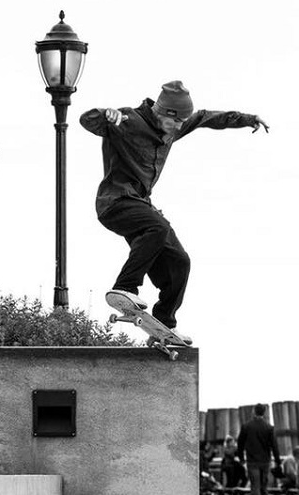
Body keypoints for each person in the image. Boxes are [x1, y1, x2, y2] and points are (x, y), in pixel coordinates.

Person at [79, 81, 269, 341]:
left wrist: (247, 119)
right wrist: (104, 114)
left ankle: (164, 323)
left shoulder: (174, 127)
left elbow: (205, 118)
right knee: (158, 227)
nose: (178, 128)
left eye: (182, 123)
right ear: (162, 113)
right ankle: (124, 288)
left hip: (141, 205)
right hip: (115, 202)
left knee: (179, 261)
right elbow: (88, 120)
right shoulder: (128, 119)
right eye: (175, 122)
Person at [237, 404, 282, 495]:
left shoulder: (246, 426)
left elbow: (240, 444)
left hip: (252, 461)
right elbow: (274, 446)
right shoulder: (269, 427)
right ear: (265, 412)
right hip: (265, 461)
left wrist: (241, 458)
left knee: (255, 486)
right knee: (263, 486)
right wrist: (277, 461)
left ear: (254, 411)